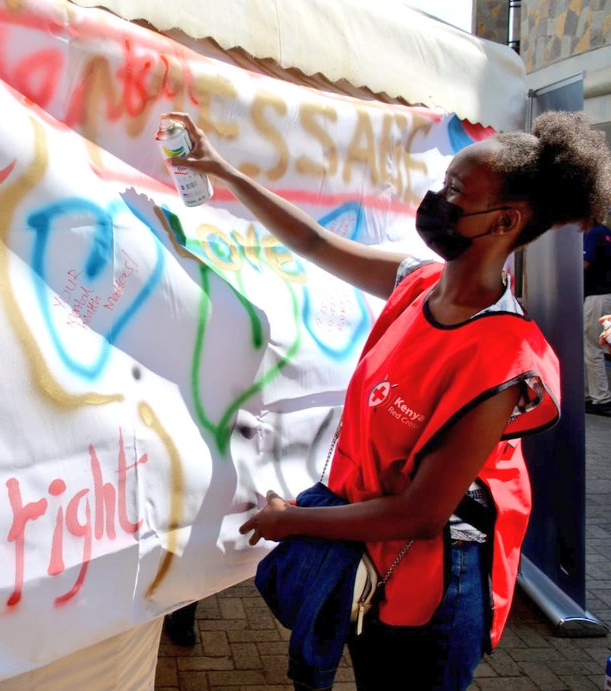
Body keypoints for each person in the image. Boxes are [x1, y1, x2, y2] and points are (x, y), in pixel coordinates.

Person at [164, 110, 611, 690]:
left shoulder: (503, 356)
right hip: (372, 562)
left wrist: (292, 521)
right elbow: (310, 239)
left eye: (454, 192)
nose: (436, 201)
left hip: (432, 596)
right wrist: (221, 170)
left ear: (503, 220)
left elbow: (422, 515)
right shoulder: (419, 284)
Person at [583, 221, 611, 415]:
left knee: (593, 348)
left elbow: (584, 264)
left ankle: (601, 399)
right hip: (607, 294)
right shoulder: (606, 232)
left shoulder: (592, 234)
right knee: (601, 345)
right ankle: (592, 395)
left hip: (596, 296)